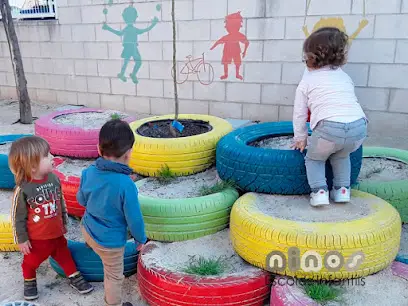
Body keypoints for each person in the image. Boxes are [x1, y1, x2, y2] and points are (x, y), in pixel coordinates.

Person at [9, 136, 93, 301]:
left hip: (56, 234)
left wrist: (64, 221)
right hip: (37, 239)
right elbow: (17, 217)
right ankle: (29, 281)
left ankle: (73, 277)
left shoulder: (54, 179)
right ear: (33, 166)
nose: (52, 158)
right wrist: (21, 239)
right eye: (47, 156)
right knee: (31, 262)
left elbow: (60, 201)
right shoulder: (23, 189)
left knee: (64, 255)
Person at [292, 27, 367, 207]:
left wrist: (300, 138)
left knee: (314, 158)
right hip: (359, 127)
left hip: (329, 129)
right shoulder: (344, 77)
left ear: (309, 57)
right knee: (341, 156)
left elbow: (300, 113)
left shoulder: (307, 81)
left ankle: (319, 193)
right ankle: (342, 191)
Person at [77, 119, 147, 306]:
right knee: (114, 277)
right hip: (110, 244)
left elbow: (81, 201)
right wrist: (141, 239)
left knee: (91, 231)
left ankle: (90, 246)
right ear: (129, 153)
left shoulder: (88, 172)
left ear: (99, 149)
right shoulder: (126, 185)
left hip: (88, 230)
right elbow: (134, 219)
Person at [102, 6, 158, 84]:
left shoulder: (129, 29)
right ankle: (130, 74)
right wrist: (153, 24)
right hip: (132, 47)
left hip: (130, 47)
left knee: (128, 62)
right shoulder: (131, 29)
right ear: (134, 18)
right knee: (137, 62)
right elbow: (144, 30)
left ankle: (125, 74)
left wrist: (108, 28)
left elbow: (119, 33)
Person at [210, 11, 249, 80]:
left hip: (235, 51)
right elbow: (218, 42)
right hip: (227, 51)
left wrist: (245, 51)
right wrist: (212, 48)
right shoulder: (229, 36)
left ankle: (236, 74)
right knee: (226, 62)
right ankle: (226, 74)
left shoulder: (238, 35)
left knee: (237, 62)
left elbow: (246, 42)